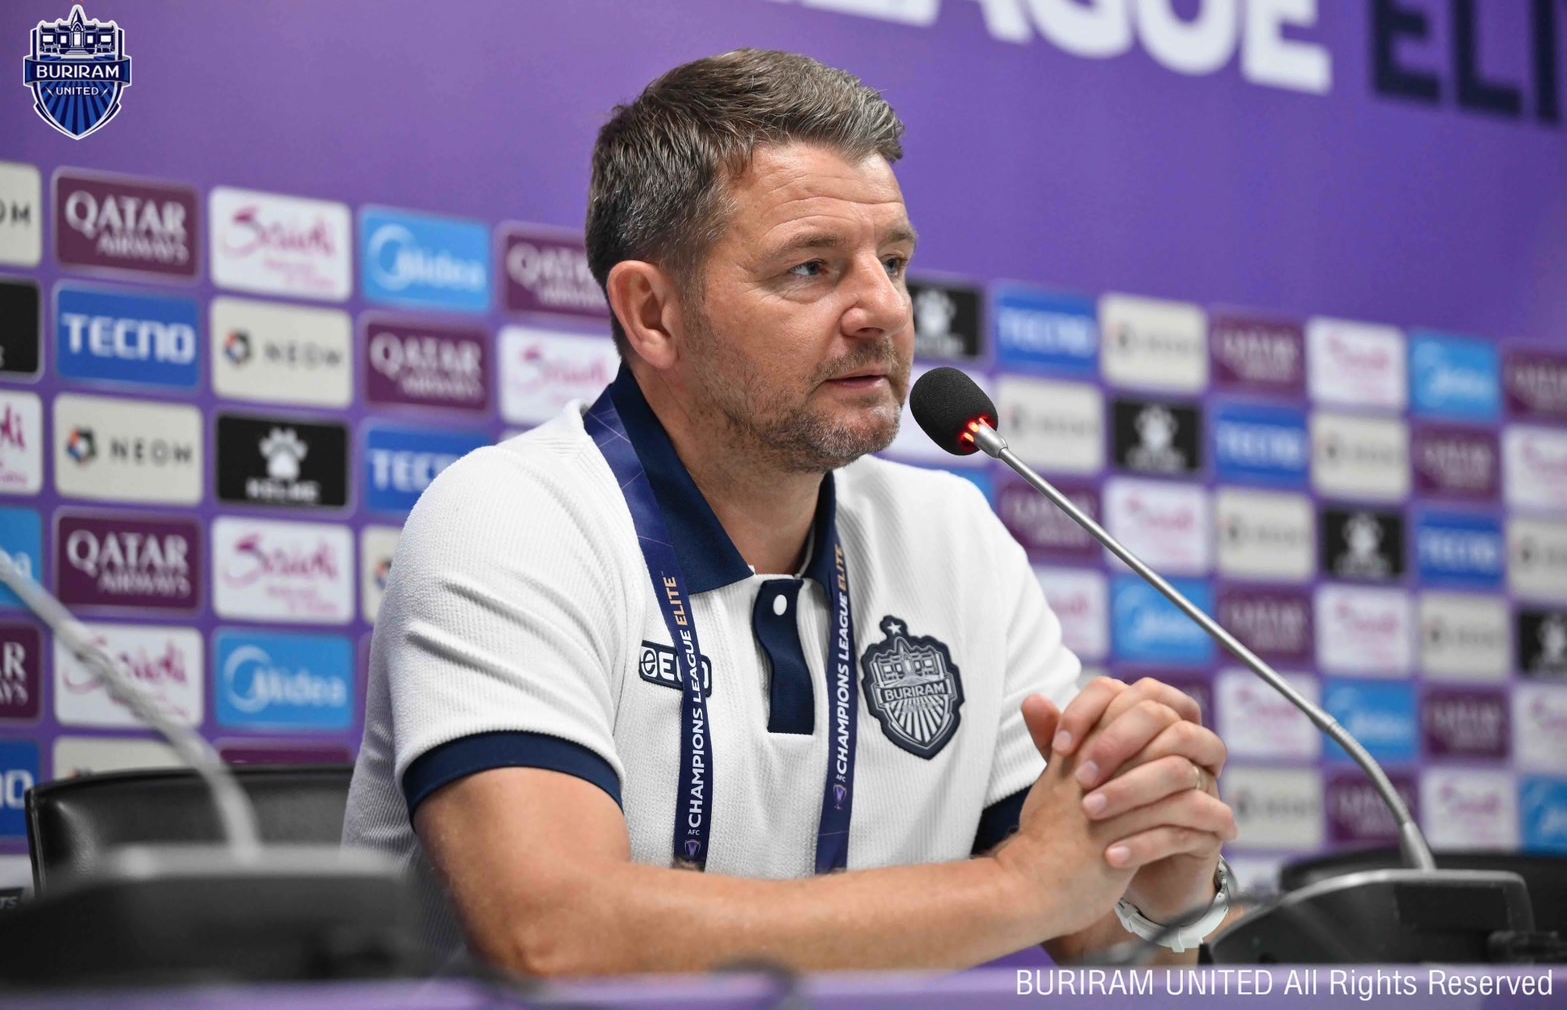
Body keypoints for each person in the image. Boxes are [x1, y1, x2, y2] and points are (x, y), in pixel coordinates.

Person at [343, 48, 1237, 976]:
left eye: (893, 262)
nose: (883, 308)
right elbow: (554, 935)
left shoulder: (954, 537)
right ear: (651, 313)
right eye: (811, 268)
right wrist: (1021, 885)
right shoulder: (511, 520)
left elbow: (1106, 949)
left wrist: (1157, 891)